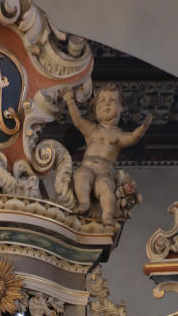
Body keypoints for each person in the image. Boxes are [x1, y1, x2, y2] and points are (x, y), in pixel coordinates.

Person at [62, 83, 151, 223]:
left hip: (105, 171)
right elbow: (78, 120)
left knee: (105, 187)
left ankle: (108, 214)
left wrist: (142, 128)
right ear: (95, 109)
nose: (106, 104)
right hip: (88, 167)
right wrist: (70, 101)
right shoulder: (92, 129)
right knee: (81, 176)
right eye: (102, 101)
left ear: (121, 107)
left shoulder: (118, 135)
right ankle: (84, 203)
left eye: (112, 100)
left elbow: (132, 137)